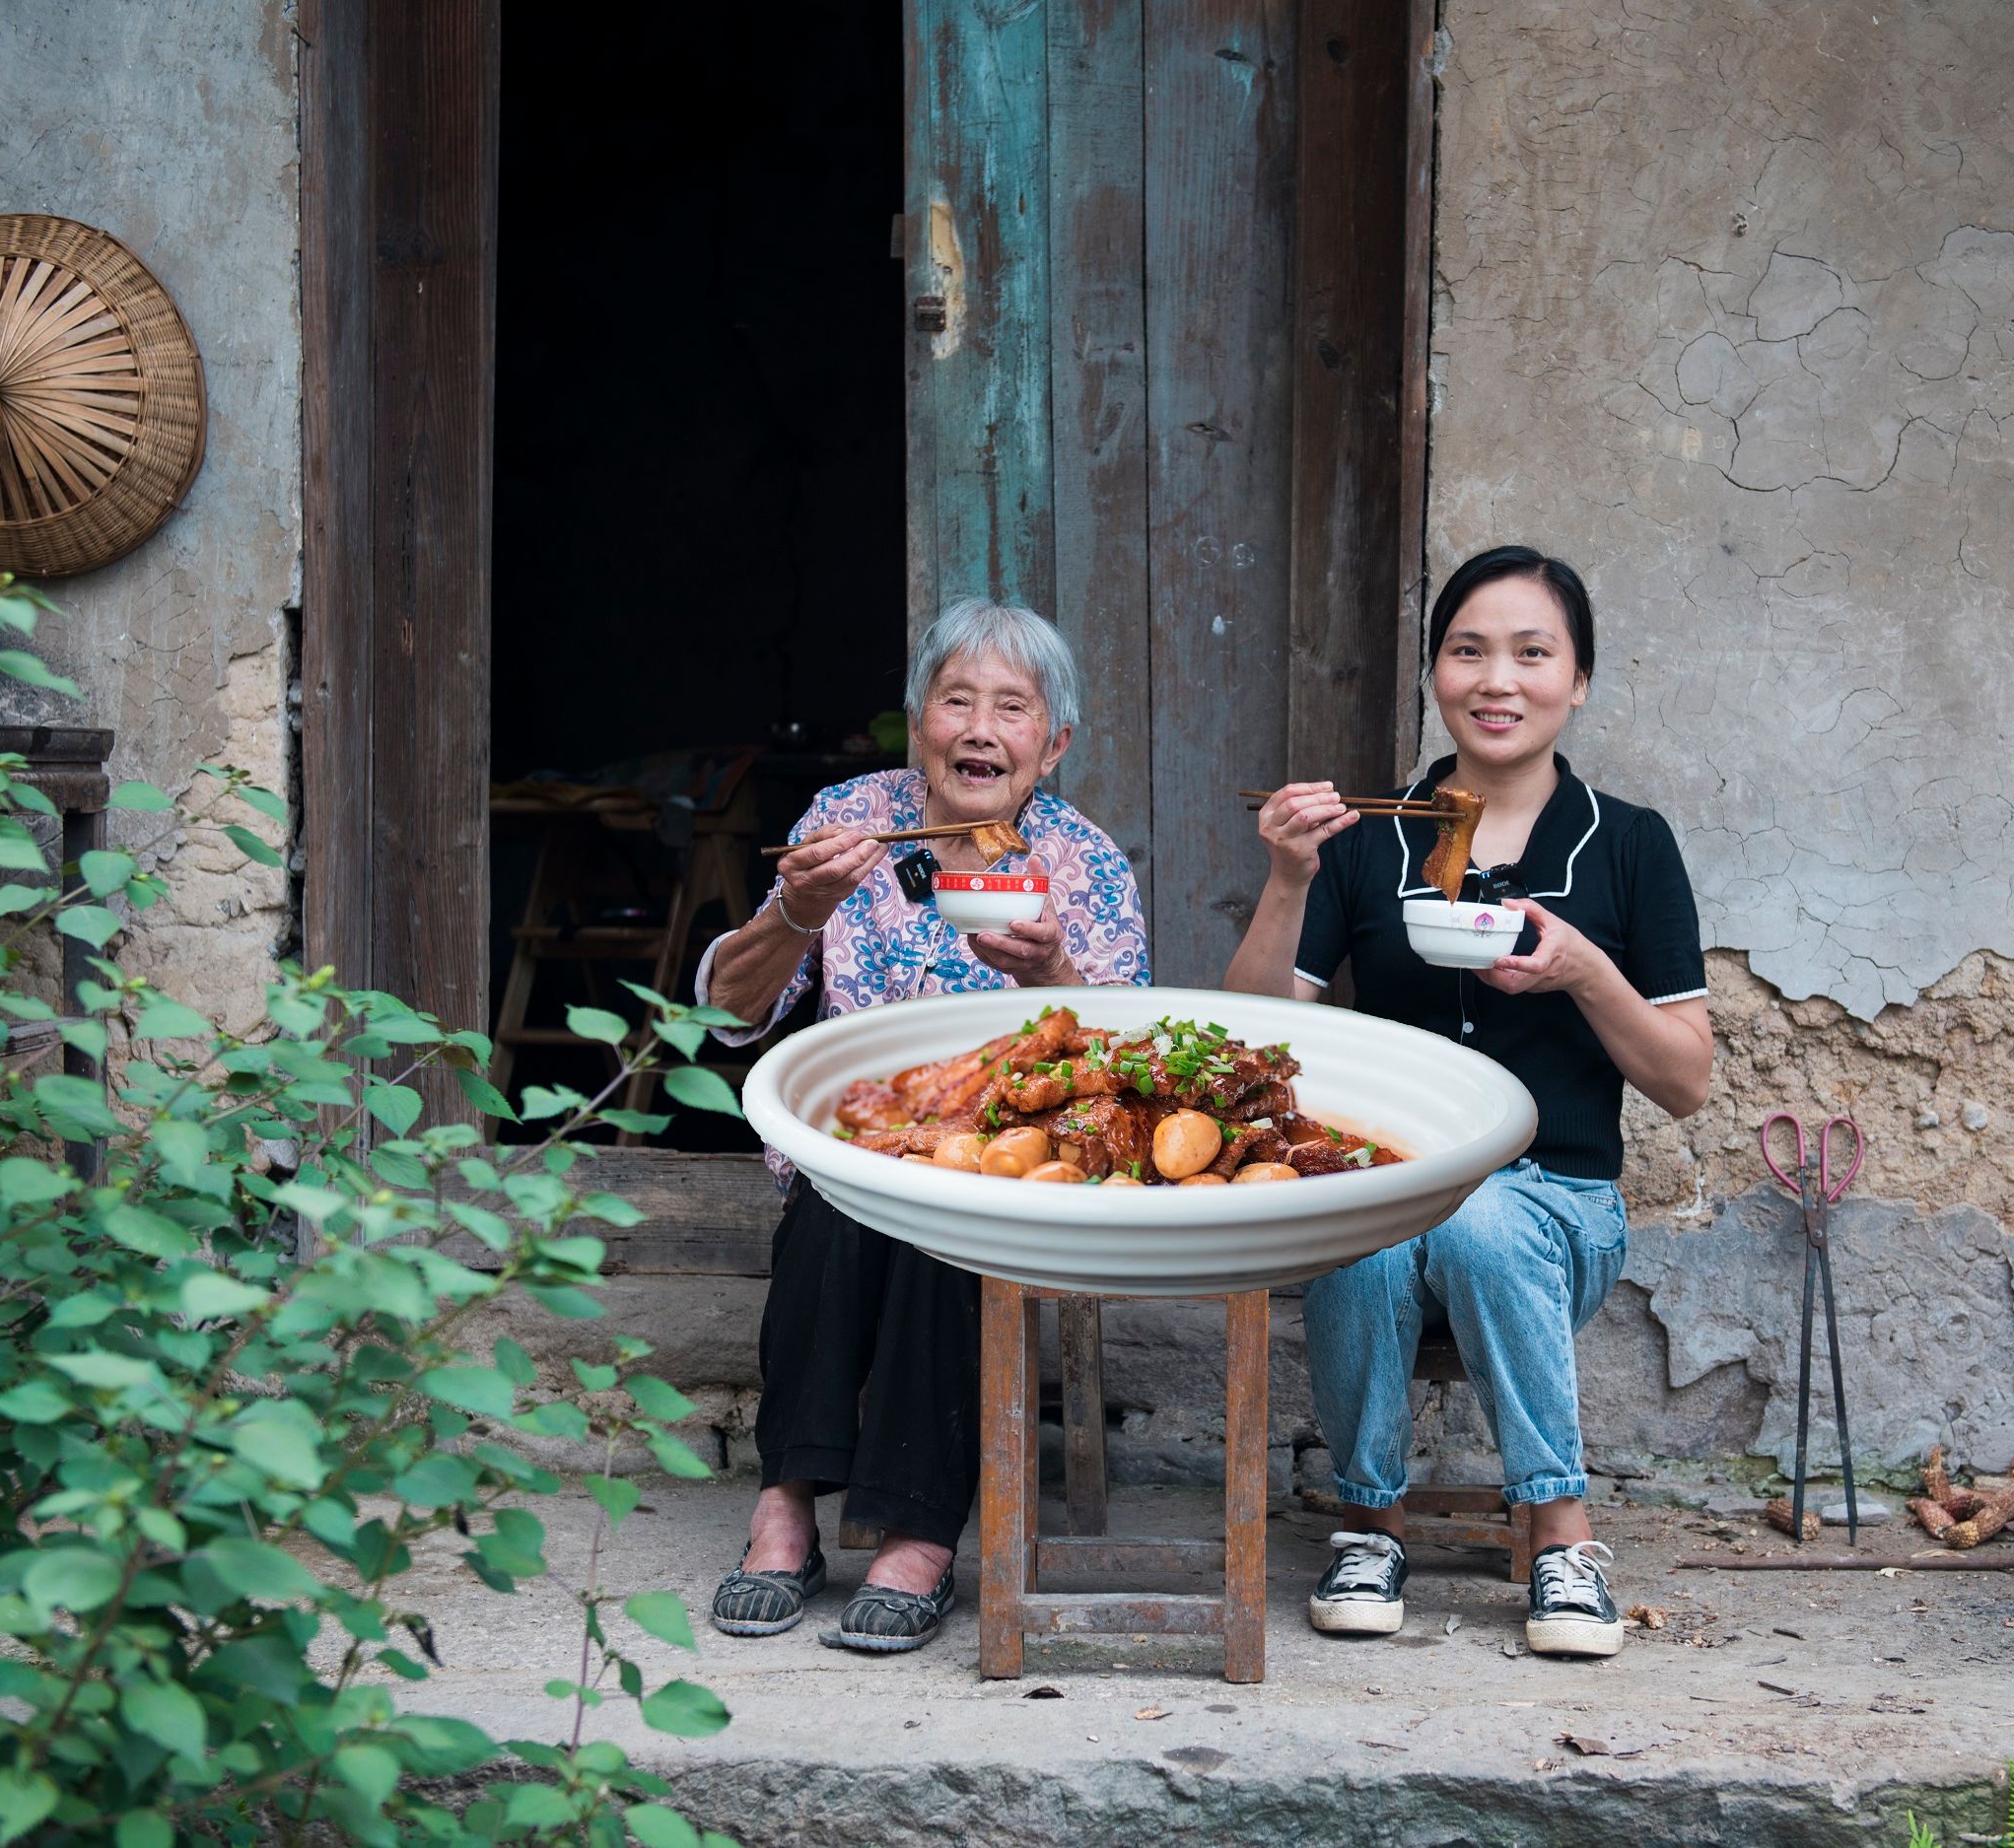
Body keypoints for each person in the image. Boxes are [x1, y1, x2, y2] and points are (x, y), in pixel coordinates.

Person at [1224, 545, 1711, 1659]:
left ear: (1578, 681)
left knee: (1482, 1218)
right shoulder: (1367, 838)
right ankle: (1368, 1521)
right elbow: (1256, 1041)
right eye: (1469, 651)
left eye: (1533, 654)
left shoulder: (1629, 845)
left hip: (1557, 1213)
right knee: (1366, 1227)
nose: (1499, 680)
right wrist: (1290, 880)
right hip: (1391, 1192)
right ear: (1436, 675)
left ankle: (1561, 1533)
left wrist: (1587, 972)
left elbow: (1685, 1080)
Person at [698, 598, 1149, 1654]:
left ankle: (918, 1530)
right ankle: (788, 1503)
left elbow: (1126, 1077)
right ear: (918, 722)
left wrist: (1056, 976)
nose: (979, 729)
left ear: (1056, 742)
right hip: (857, 1135)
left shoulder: (1084, 868)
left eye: (1012, 707)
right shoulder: (849, 822)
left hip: (1007, 1158)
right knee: (835, 1203)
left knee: (956, 1222)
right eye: (956, 700)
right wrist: (795, 913)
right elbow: (724, 1015)